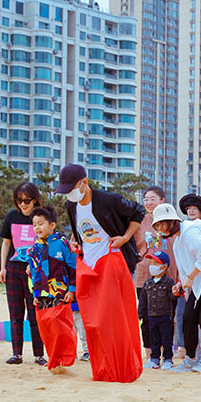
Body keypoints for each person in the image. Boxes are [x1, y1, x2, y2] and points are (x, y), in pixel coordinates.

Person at [58, 164, 145, 383]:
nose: (70, 194)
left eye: (72, 188)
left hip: (112, 263)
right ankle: (103, 367)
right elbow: (78, 231)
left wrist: (125, 238)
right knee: (93, 321)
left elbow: (138, 212)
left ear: (84, 183)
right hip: (88, 267)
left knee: (112, 319)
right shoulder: (72, 206)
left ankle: (123, 367)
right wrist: (75, 242)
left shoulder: (108, 199)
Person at [152, 201, 201, 375]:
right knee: (188, 317)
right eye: (157, 226)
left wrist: (189, 278)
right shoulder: (178, 241)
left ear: (172, 221)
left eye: (162, 224)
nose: (161, 229)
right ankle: (190, 358)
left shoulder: (190, 231)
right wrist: (181, 284)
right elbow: (185, 268)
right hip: (199, 281)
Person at [0, 182, 45, 366]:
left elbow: (46, 244)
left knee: (35, 313)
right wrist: (3, 267)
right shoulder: (12, 216)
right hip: (14, 269)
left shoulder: (40, 218)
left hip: (34, 271)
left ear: (35, 200)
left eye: (26, 201)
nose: (23, 204)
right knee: (15, 313)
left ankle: (39, 355)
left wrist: (37, 267)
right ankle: (16, 354)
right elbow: (6, 243)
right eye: (19, 201)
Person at [27, 206, 77, 372]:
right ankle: (54, 360)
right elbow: (34, 273)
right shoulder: (34, 249)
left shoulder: (63, 243)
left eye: (41, 223)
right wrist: (35, 293)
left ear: (52, 225)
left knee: (61, 327)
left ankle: (66, 358)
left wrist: (71, 289)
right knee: (46, 329)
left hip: (60, 293)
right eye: (34, 225)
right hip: (41, 295)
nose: (37, 228)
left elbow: (73, 267)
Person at [133, 186, 178, 359]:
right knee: (146, 314)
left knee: (168, 316)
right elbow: (135, 245)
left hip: (168, 274)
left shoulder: (172, 221)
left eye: (152, 199)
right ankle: (150, 352)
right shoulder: (141, 221)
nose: (148, 203)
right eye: (146, 199)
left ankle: (166, 351)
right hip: (145, 273)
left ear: (162, 201)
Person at [142, 250, 177, 370]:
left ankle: (168, 359)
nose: (152, 266)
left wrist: (175, 293)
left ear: (164, 267)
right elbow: (143, 300)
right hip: (151, 316)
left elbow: (173, 298)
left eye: (156, 264)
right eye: (151, 263)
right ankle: (154, 359)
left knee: (166, 338)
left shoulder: (168, 282)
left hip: (165, 316)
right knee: (153, 339)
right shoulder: (148, 283)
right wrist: (141, 313)